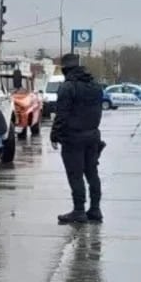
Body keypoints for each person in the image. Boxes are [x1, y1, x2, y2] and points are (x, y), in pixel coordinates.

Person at [50, 54, 104, 224]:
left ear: (66, 69)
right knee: (92, 173)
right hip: (93, 135)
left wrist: (55, 134)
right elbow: (99, 111)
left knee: (75, 174)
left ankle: (79, 210)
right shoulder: (95, 86)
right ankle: (95, 209)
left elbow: (62, 115)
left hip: (73, 137)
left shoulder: (68, 87)